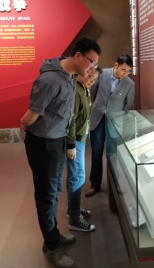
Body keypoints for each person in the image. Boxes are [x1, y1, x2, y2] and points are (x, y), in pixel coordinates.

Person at [20, 37, 101, 268]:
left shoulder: (71, 76)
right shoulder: (50, 80)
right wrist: (25, 123)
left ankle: (53, 234)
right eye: (92, 62)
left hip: (57, 141)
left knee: (54, 191)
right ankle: (51, 245)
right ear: (78, 56)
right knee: (46, 196)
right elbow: (30, 116)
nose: (92, 68)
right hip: (43, 144)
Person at [85, 54, 135, 198]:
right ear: (116, 65)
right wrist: (98, 107)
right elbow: (93, 92)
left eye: (128, 71)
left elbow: (128, 104)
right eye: (123, 70)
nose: (125, 74)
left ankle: (116, 182)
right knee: (96, 152)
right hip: (98, 117)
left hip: (115, 121)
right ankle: (95, 184)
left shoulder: (129, 84)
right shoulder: (102, 74)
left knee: (113, 154)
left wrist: (117, 114)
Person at [65, 65, 101, 233]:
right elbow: (71, 120)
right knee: (77, 176)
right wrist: (71, 145)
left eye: (95, 80)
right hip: (75, 141)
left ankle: (72, 209)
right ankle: (74, 217)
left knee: (76, 175)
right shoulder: (76, 91)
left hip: (80, 137)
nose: (92, 81)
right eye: (90, 77)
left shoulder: (84, 89)